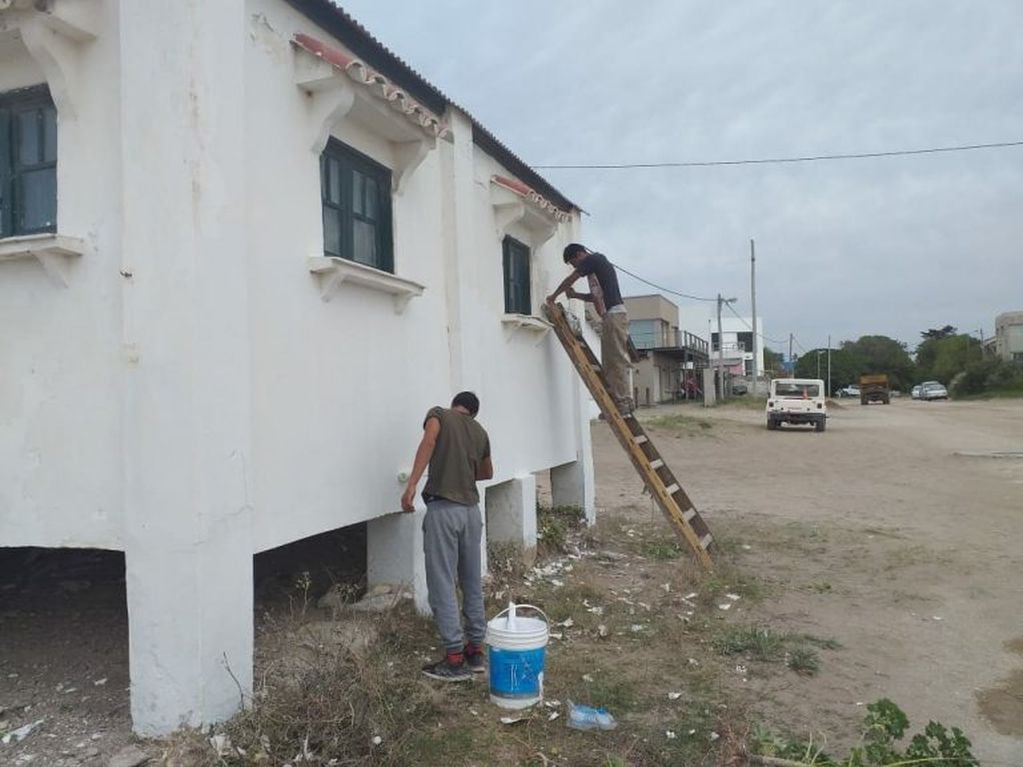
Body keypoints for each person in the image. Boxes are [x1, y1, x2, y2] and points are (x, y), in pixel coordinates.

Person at [401, 391, 494, 681]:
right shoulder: (480, 432)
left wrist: (413, 484)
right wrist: (463, 470)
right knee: (471, 580)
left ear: (456, 405)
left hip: (444, 509)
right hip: (471, 513)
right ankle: (475, 651)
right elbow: (487, 472)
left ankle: (454, 659)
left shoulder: (439, 415)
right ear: (473, 413)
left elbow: (429, 441)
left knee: (442, 580)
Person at [546, 243, 633, 415]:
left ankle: (623, 403)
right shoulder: (597, 268)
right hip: (612, 316)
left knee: (615, 360)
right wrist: (575, 295)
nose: (575, 267)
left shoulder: (594, 259)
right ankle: (621, 402)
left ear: (579, 254)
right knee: (610, 361)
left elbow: (570, 279)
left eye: (574, 263)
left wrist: (554, 296)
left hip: (614, 316)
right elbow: (595, 298)